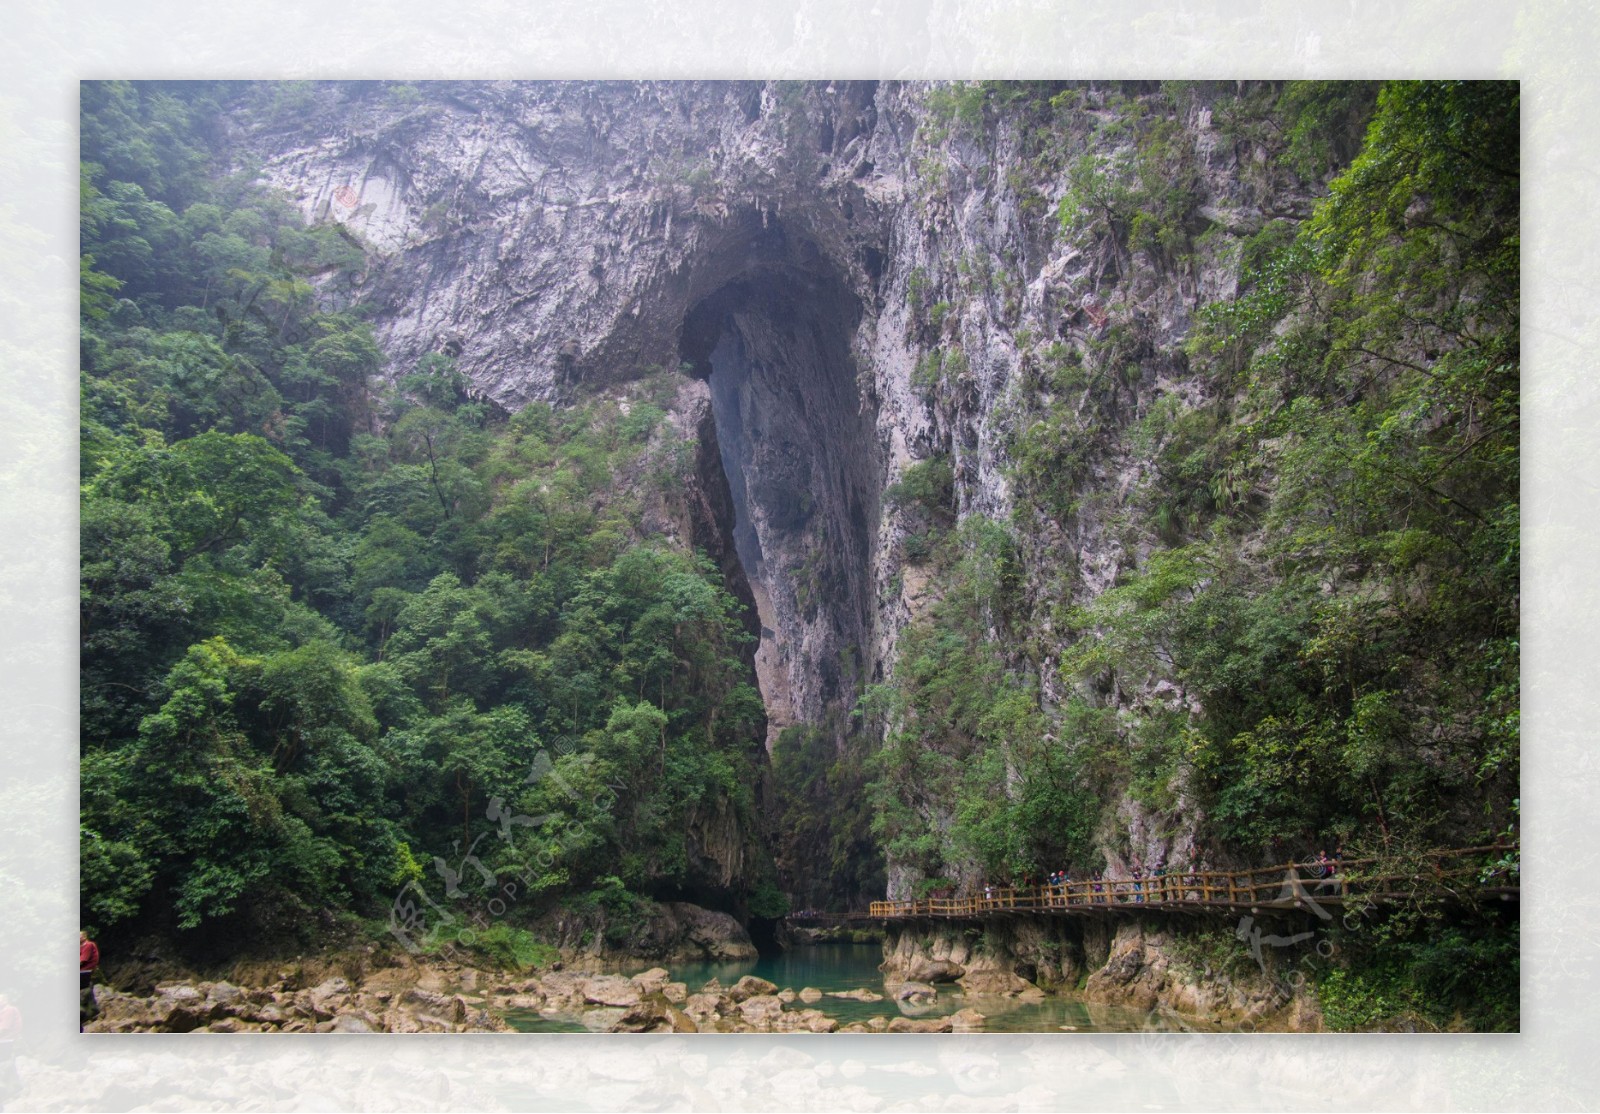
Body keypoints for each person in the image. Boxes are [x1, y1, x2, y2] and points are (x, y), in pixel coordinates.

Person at [79, 930, 100, 1027]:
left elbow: (82, 961)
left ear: (84, 936)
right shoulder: (81, 947)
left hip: (85, 972)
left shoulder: (88, 945)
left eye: (79, 936)